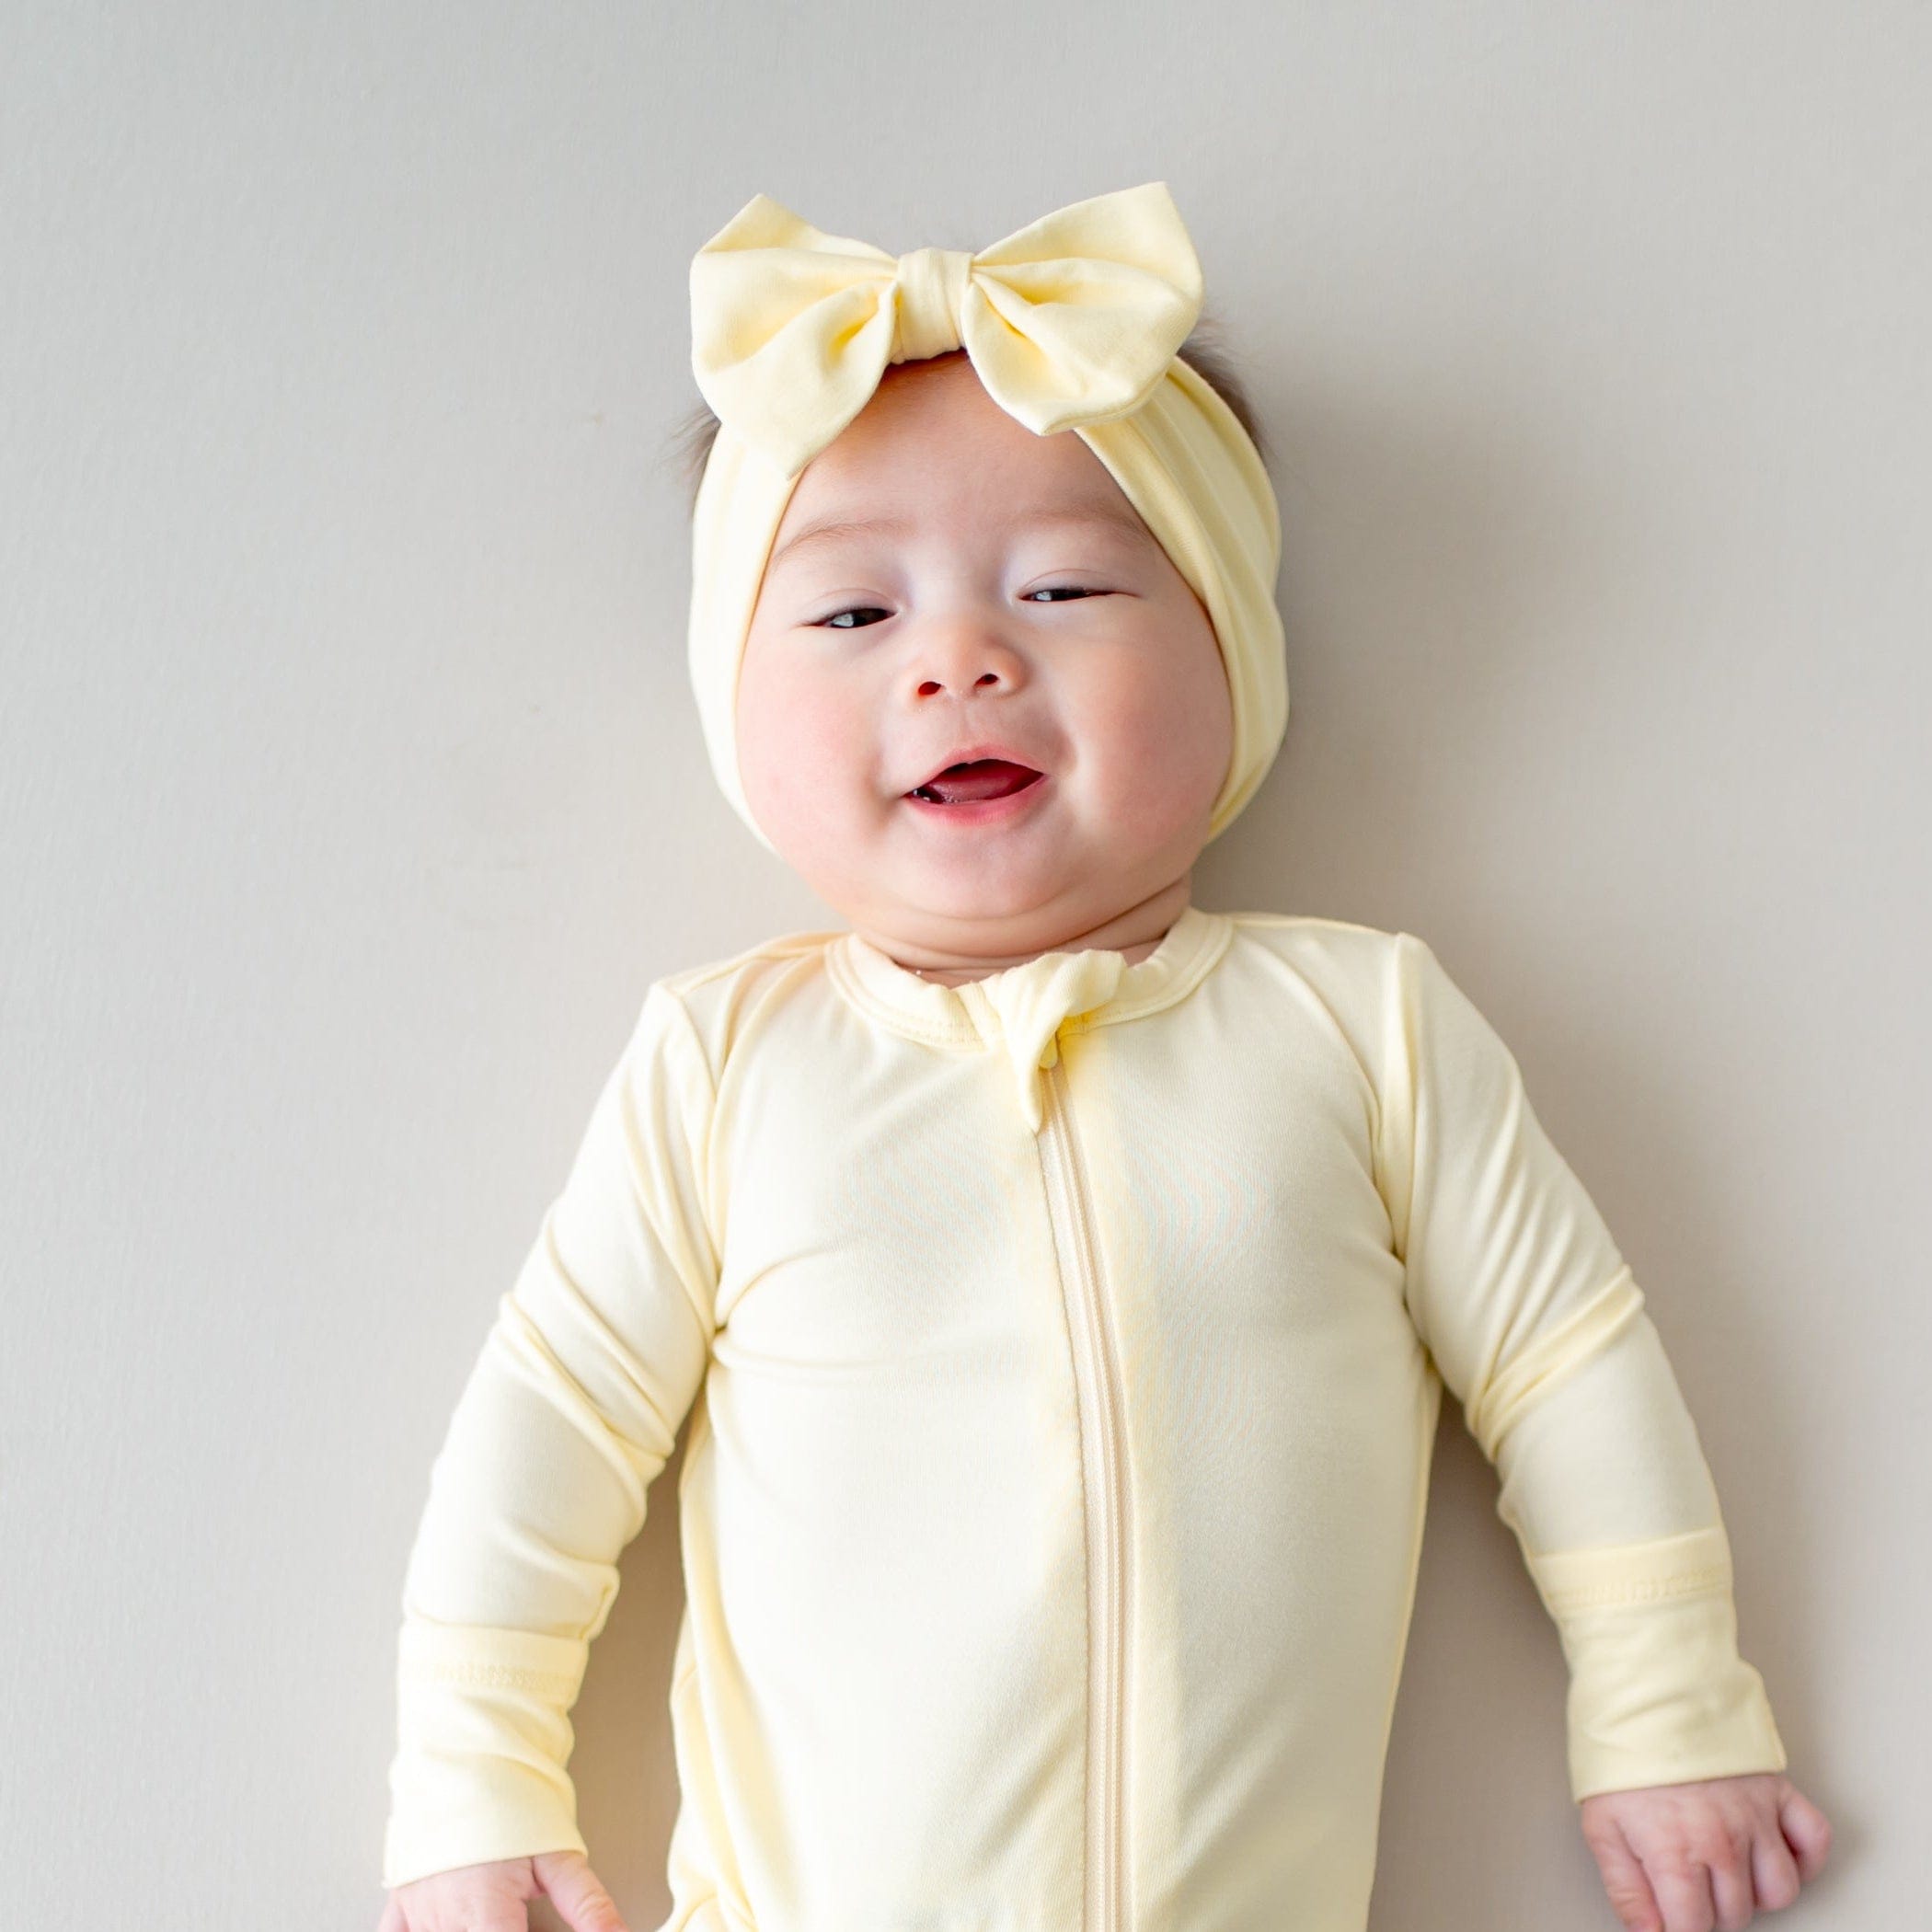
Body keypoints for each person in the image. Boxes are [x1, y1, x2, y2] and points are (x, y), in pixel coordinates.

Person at [374, 182, 1832, 1932]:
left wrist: (1669, 1712)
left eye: (1064, 585)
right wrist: (471, 1783)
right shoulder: (725, 1066)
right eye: (853, 618)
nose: (960, 660)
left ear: (1233, 662)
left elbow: (1571, 1369)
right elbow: (544, 1435)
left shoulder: (1363, 1028)